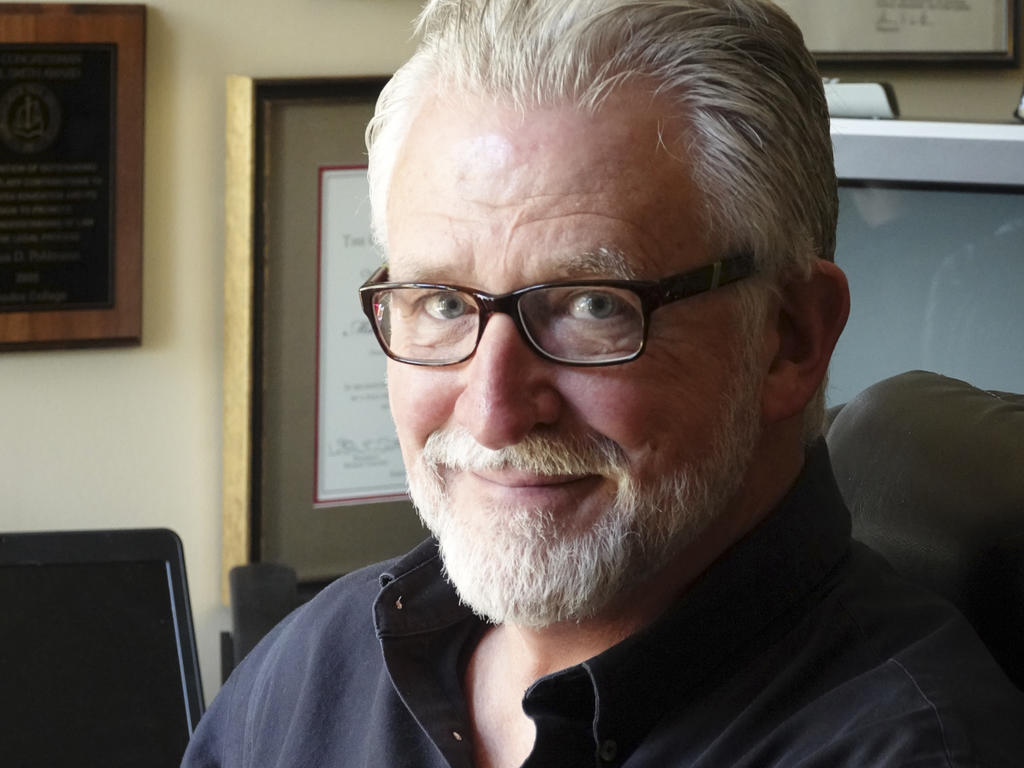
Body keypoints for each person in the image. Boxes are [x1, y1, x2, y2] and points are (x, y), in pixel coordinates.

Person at [184, 1, 1024, 766]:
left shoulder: (906, 748)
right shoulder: (317, 669)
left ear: (790, 338)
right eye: (441, 301)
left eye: (593, 305)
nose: (493, 410)